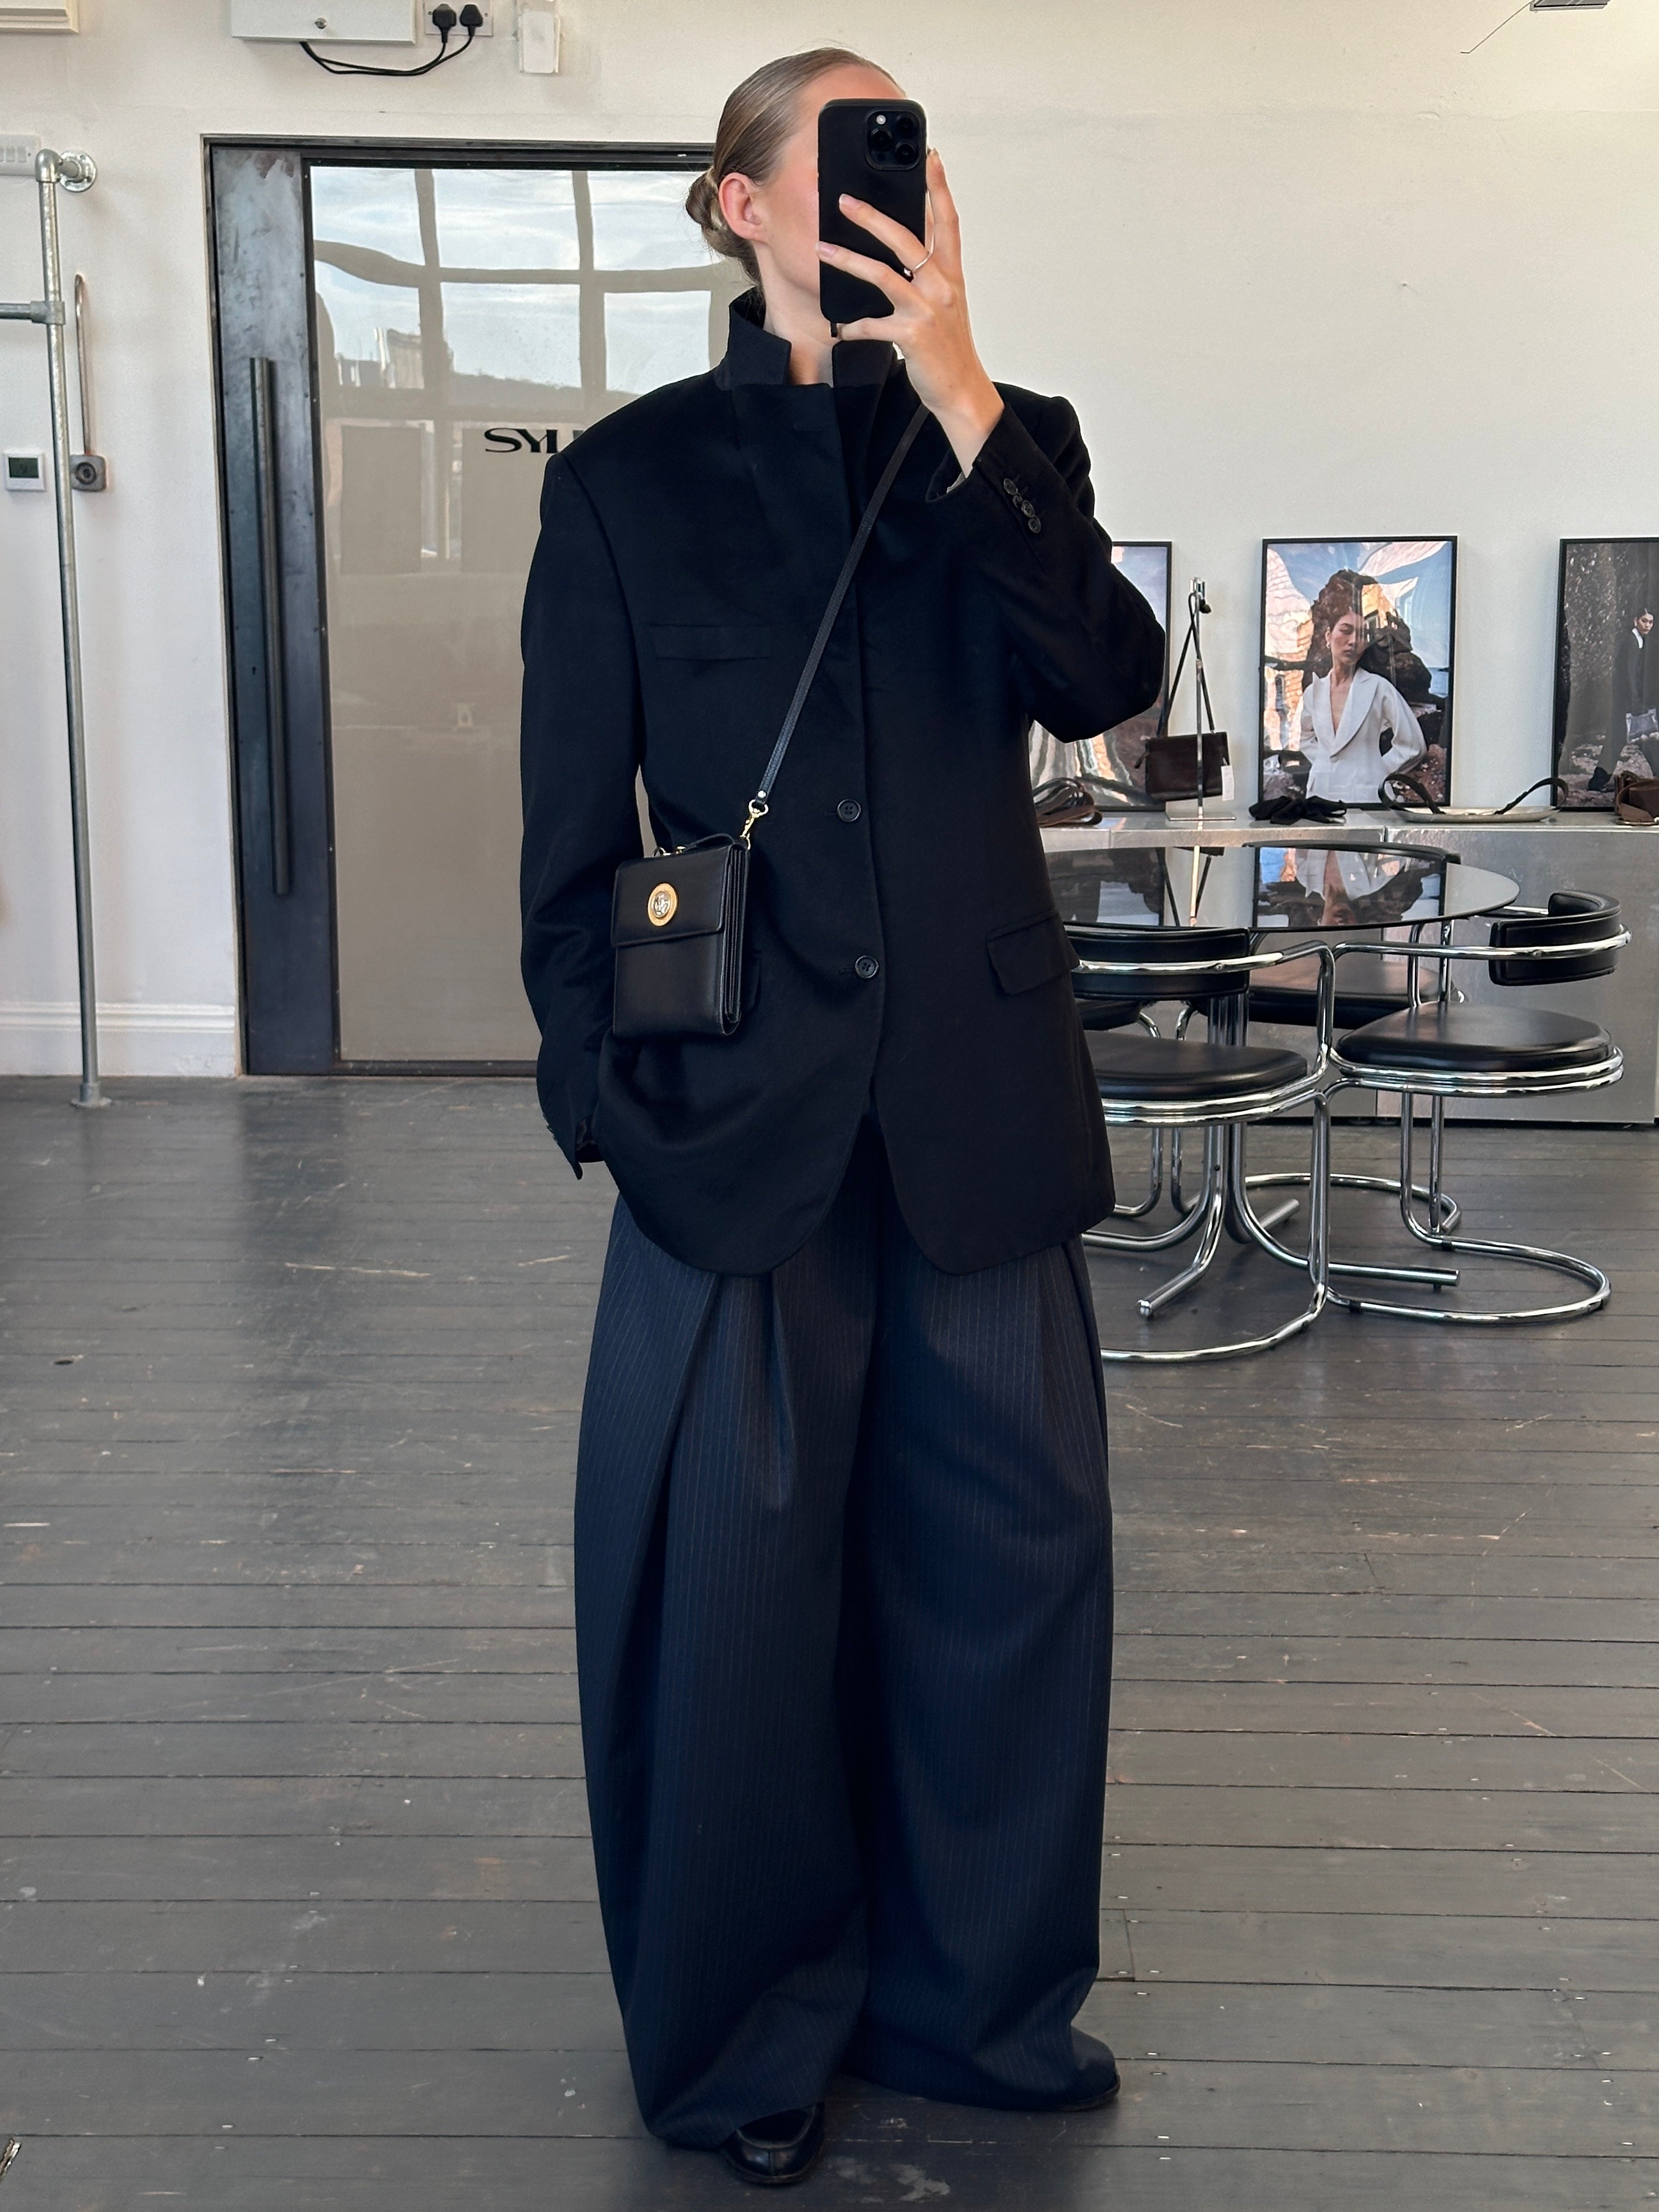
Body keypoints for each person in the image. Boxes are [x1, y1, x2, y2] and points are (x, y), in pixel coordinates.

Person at [518, 46, 1164, 2191]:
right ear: (739, 202)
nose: (896, 185)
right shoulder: (626, 484)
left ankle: (973, 2010)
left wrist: (962, 386)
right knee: (730, 1607)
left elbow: (1102, 683)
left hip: (979, 1119)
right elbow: (562, 847)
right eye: (850, 151)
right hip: (734, 1134)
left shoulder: (1008, 443)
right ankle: (739, 2040)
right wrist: (608, 1102)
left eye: (918, 153)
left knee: (1007, 1581)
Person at [1297, 575, 1428, 804]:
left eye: (1361, 635)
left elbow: (1412, 745)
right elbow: (1307, 739)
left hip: (1366, 796)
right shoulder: (1314, 692)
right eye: (1346, 631)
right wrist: (1324, 765)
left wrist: (1376, 770)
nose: (1353, 641)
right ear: (1328, 636)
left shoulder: (1378, 688)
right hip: (1321, 796)